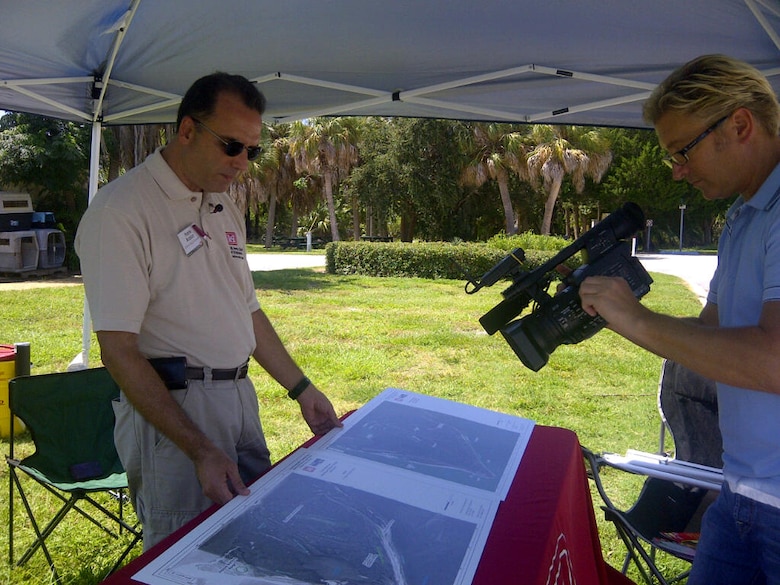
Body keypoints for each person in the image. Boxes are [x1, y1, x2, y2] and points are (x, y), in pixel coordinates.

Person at [75, 72, 342, 550]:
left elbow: (248, 311)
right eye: (231, 146)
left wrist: (301, 387)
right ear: (187, 130)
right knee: (188, 556)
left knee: (252, 541)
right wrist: (199, 448)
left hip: (240, 397)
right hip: (177, 411)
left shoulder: (223, 204)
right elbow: (118, 351)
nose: (242, 162)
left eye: (251, 151)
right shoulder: (122, 211)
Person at [578, 54, 780, 584]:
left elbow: (774, 360)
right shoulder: (743, 216)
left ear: (739, 125)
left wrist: (641, 320)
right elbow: (712, 335)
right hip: (741, 491)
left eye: (682, 150)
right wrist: (625, 318)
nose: (677, 170)